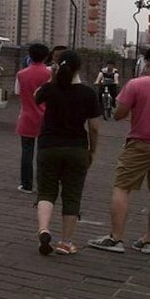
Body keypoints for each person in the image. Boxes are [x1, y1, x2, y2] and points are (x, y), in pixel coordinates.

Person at [88, 44, 150, 255]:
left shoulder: (137, 84)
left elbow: (119, 114)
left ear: (148, 62)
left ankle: (116, 238)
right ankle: (148, 242)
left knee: (122, 188)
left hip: (140, 143)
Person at [33, 50, 100, 256]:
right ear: (79, 67)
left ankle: (44, 230)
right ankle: (65, 242)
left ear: (57, 67)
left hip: (48, 146)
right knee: (72, 196)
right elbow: (95, 127)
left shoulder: (50, 89)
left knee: (46, 192)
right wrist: (92, 151)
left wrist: (52, 78)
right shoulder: (88, 93)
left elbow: (35, 97)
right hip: (76, 148)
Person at [14, 43, 52, 193]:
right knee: (45, 154)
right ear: (46, 56)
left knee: (27, 152)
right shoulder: (50, 74)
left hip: (27, 116)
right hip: (47, 118)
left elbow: (17, 92)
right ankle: (46, 185)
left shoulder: (21, 74)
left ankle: (26, 185)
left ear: (30, 55)